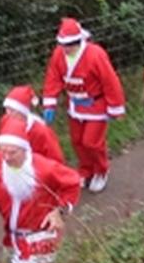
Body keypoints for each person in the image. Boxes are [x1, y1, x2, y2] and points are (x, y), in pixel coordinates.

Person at [0, 116, 83, 263]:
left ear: (25, 149)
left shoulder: (45, 168)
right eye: (2, 150)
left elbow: (73, 182)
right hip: (12, 239)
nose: (6, 157)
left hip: (42, 236)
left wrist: (59, 212)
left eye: (12, 152)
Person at [40, 18, 126, 193]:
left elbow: (110, 81)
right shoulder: (58, 55)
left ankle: (101, 171)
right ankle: (86, 171)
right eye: (63, 44)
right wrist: (50, 103)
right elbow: (53, 77)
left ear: (79, 41)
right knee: (78, 141)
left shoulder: (95, 54)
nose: (66, 48)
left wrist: (114, 106)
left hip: (96, 105)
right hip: (75, 106)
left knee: (91, 142)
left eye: (71, 44)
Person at [0, 85, 65, 164]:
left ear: (23, 112)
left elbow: (56, 159)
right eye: (7, 109)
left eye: (12, 110)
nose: (8, 114)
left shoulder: (41, 131)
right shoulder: (5, 121)